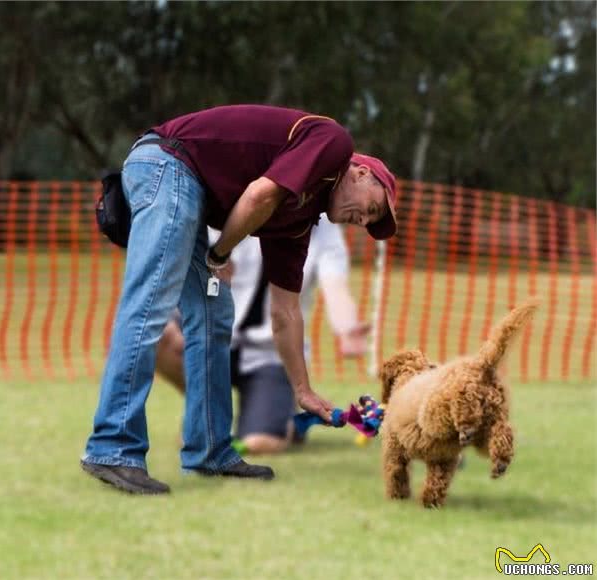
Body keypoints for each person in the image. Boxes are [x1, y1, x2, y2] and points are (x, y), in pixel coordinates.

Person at [81, 104, 397, 495]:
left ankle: (210, 452)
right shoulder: (335, 143)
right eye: (372, 208)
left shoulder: (298, 217)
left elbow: (285, 312)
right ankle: (112, 448)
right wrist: (219, 254)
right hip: (167, 163)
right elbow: (258, 195)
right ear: (361, 173)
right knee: (150, 304)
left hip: (186, 183)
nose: (363, 220)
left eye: (370, 221)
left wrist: (303, 390)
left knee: (214, 314)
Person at [156, 217, 370, 454]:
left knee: (261, 443)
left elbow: (336, 287)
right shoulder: (237, 205)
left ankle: (287, 421)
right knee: (159, 334)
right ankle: (205, 409)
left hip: (269, 356)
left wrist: (347, 328)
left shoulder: (324, 231)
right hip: (214, 338)